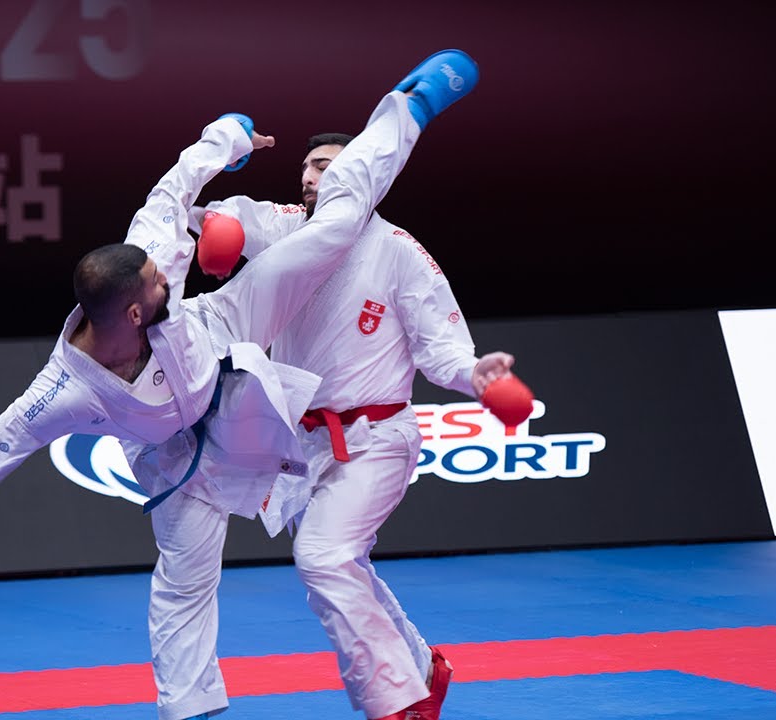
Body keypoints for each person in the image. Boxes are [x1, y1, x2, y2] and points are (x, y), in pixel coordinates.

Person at [0, 50, 481, 717]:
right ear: (133, 313)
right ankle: (193, 711)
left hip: (222, 348)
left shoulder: (151, 267)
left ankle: (412, 103)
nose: (172, 279)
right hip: (171, 460)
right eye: (163, 287)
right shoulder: (57, 395)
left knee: (334, 223)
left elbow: (173, 188)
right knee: (184, 586)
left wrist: (228, 138)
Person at [140, 51, 507, 720]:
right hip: (302, 443)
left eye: (336, 168)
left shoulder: (400, 253)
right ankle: (422, 666)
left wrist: (475, 376)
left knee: (324, 557)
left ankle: (397, 704)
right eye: (312, 166)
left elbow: (445, 350)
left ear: (366, 179)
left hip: (377, 437)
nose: (320, 175)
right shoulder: (275, 225)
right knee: (342, 568)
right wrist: (226, 165)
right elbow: (174, 214)